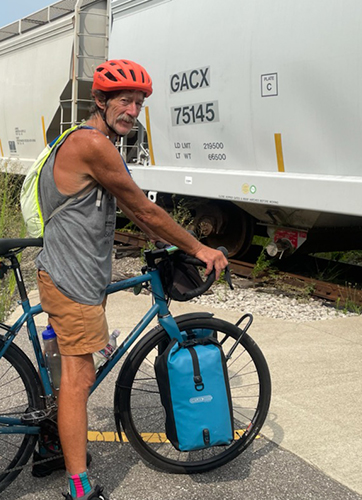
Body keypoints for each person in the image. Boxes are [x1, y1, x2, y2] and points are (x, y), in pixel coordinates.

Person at [33, 59, 229, 500]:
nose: (133, 111)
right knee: (79, 382)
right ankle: (80, 488)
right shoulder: (93, 145)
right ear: (99, 101)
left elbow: (126, 208)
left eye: (139, 103)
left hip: (72, 274)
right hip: (73, 280)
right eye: (124, 100)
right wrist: (198, 248)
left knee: (68, 373)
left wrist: (161, 240)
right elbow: (142, 208)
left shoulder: (90, 140)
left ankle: (50, 440)